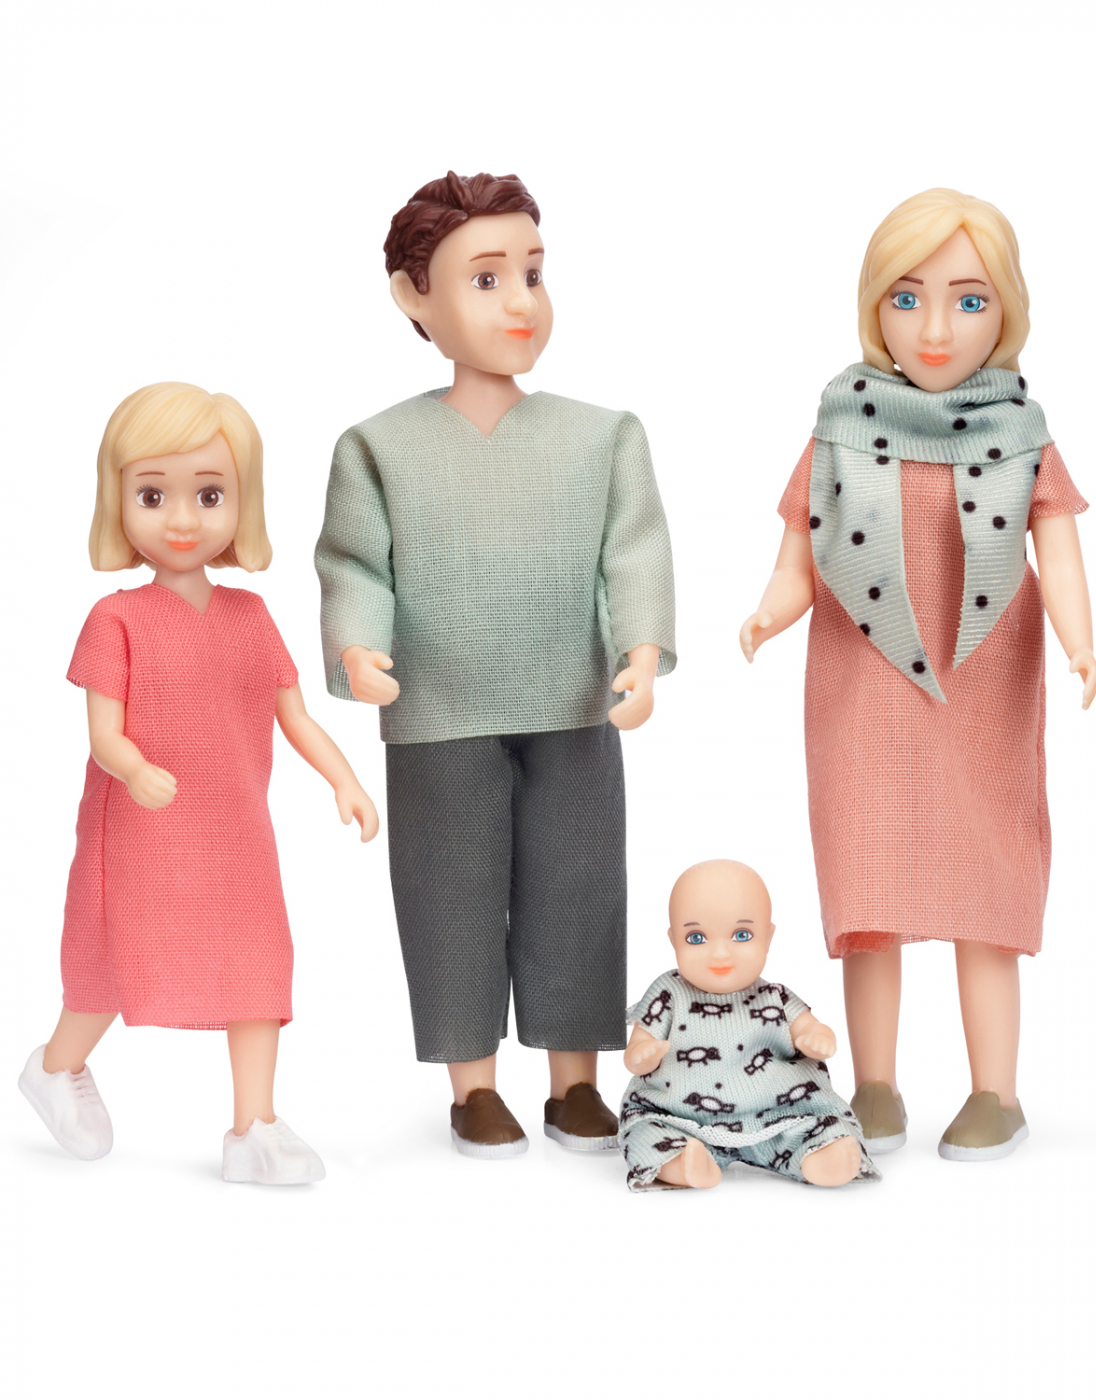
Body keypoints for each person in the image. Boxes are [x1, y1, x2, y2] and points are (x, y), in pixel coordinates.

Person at [315, 171, 676, 1158]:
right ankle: (472, 1085)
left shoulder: (601, 436)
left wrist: (641, 651)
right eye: (485, 278)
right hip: (436, 710)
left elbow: (633, 551)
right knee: (449, 895)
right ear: (413, 294)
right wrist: (358, 645)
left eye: (533, 273)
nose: (520, 301)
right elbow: (355, 563)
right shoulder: (378, 446)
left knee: (579, 888)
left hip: (573, 703)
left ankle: (574, 1080)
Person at [740, 188, 1096, 1160]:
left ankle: (996, 1092)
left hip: (985, 684)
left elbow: (1059, 551)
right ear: (874, 307)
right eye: (907, 298)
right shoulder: (839, 423)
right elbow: (799, 552)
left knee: (987, 889)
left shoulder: (1019, 429)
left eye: (968, 300)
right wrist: (769, 611)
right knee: (870, 891)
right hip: (863, 683)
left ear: (1006, 310)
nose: (935, 328)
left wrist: (1079, 638)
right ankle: (875, 1084)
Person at [19, 382, 379, 1185]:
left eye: (209, 495)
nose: (182, 519)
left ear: (241, 503)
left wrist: (344, 780)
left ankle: (254, 1127)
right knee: (116, 961)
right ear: (117, 501)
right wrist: (135, 768)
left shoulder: (252, 617)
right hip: (141, 832)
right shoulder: (116, 620)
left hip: (236, 836)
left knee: (257, 968)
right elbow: (103, 733)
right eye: (153, 495)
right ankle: (55, 1066)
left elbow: (295, 716)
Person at [619, 860, 877, 1190]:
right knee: (644, 1133)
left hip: (778, 1116)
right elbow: (638, 1048)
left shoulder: (775, 997)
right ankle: (683, 1163)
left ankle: (825, 1157)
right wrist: (641, 1055)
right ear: (674, 940)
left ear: (768, 937)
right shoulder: (667, 993)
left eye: (742, 936)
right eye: (696, 938)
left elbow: (808, 1027)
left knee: (822, 1126)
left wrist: (815, 1036)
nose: (720, 954)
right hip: (681, 1118)